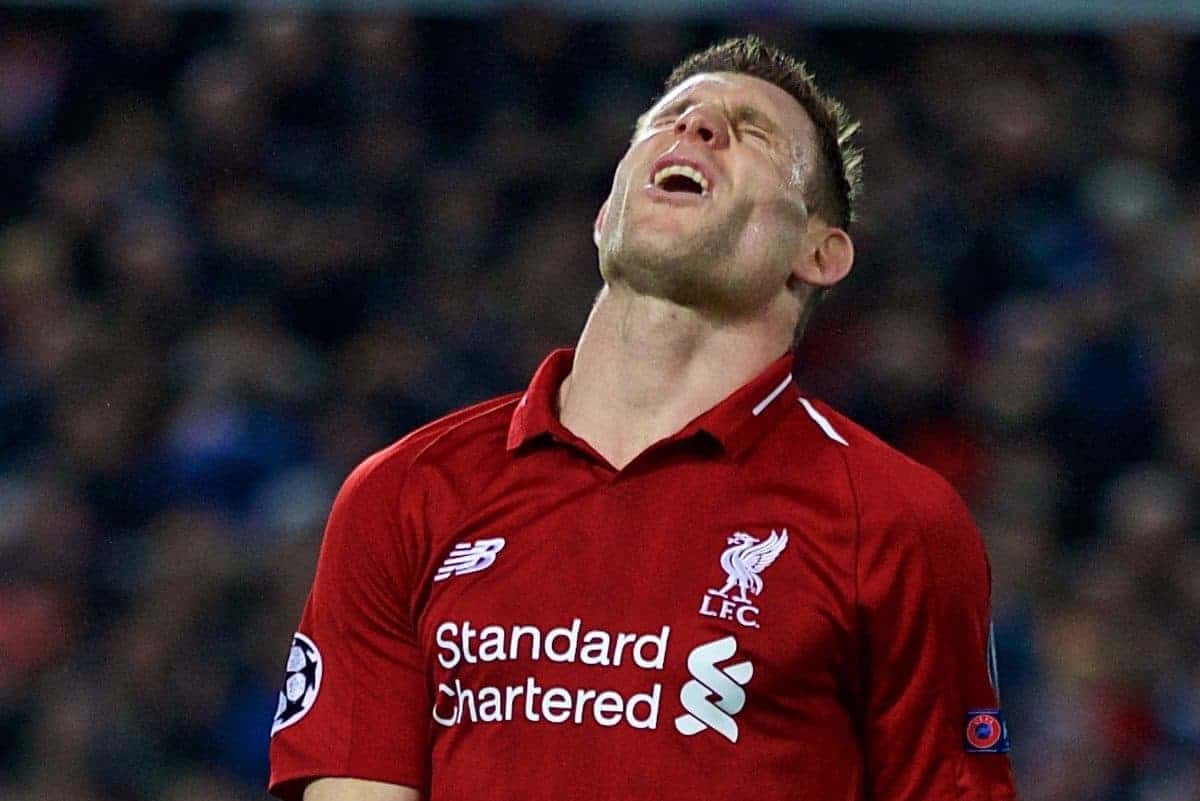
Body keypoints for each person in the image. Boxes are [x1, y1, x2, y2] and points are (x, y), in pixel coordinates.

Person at [267, 35, 1017, 801]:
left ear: (819, 252)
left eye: (752, 131)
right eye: (672, 118)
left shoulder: (895, 521)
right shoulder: (405, 493)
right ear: (605, 216)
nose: (695, 129)